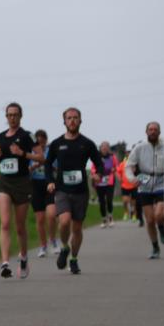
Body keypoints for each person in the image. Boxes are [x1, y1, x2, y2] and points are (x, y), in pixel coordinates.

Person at [45, 108, 105, 275]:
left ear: (80, 121)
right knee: (64, 222)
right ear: (64, 122)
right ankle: (65, 247)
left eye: (75, 118)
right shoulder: (57, 144)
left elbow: (98, 163)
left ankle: (74, 259)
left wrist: (98, 174)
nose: (72, 121)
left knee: (77, 228)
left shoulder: (87, 143)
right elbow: (48, 164)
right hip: (62, 190)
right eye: (69, 118)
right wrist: (49, 181)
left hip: (80, 191)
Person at [0, 102, 43, 278]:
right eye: (9, 115)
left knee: (20, 227)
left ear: (21, 116)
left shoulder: (26, 135)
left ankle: (23, 257)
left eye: (15, 114)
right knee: (5, 222)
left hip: (22, 183)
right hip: (4, 183)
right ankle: (5, 263)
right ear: (6, 117)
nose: (12, 118)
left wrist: (23, 154)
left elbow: (41, 157)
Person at [125, 122, 164, 259]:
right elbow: (128, 166)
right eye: (150, 129)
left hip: (162, 181)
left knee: (159, 214)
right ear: (146, 132)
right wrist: (132, 179)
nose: (153, 132)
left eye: (155, 130)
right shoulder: (140, 147)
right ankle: (155, 247)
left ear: (159, 132)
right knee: (149, 220)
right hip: (145, 182)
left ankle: (162, 228)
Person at [29, 129, 58, 257]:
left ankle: (53, 240)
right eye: (38, 142)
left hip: (49, 184)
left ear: (46, 141)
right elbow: (26, 171)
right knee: (40, 219)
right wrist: (35, 165)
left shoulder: (51, 151)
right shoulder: (30, 153)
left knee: (51, 215)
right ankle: (43, 245)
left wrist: (48, 164)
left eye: (43, 142)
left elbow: (58, 167)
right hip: (35, 185)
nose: (40, 145)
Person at [93, 141, 119, 228]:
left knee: (109, 200)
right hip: (99, 181)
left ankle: (110, 217)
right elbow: (93, 168)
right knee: (102, 202)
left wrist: (114, 170)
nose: (104, 149)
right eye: (103, 147)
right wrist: (94, 174)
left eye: (106, 147)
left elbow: (117, 167)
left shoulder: (112, 157)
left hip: (109, 180)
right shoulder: (96, 156)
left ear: (108, 148)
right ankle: (104, 219)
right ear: (100, 148)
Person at [119, 151, 141, 225]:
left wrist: (134, 170)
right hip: (124, 185)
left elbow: (137, 172)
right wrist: (120, 178)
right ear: (126, 155)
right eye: (127, 154)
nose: (129, 156)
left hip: (133, 185)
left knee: (133, 203)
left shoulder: (135, 163)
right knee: (125, 201)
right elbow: (118, 172)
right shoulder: (122, 163)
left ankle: (134, 215)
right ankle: (126, 212)